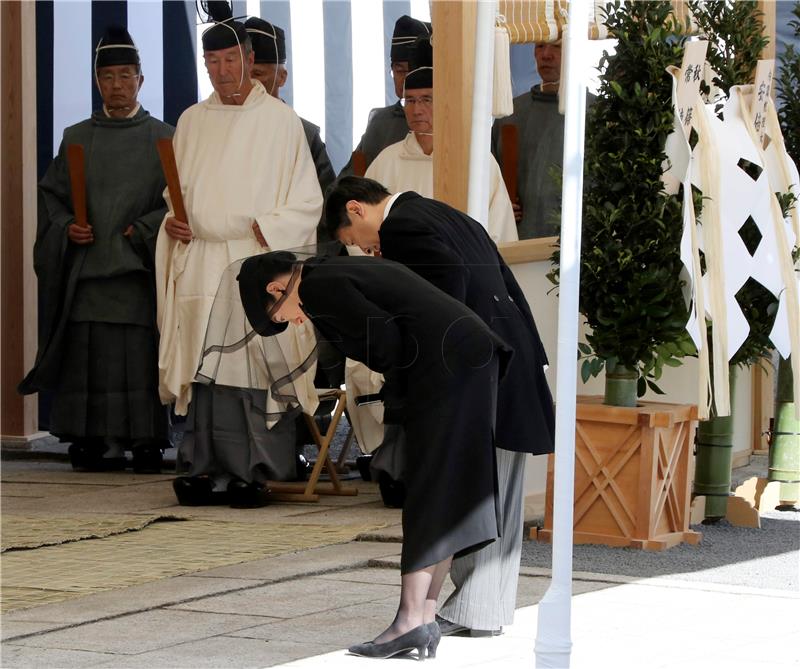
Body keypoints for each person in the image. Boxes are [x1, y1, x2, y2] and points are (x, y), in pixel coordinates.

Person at [236, 249, 512, 659]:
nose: (295, 320)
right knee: (450, 485)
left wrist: (395, 396)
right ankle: (424, 617)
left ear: (277, 288)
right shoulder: (333, 268)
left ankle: (408, 621)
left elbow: (384, 343)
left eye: (281, 315)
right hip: (468, 356)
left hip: (445, 366)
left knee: (430, 485)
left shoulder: (318, 286)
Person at [324, 176, 555, 637]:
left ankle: (476, 609)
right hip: (511, 353)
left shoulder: (403, 227)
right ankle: (483, 609)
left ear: (357, 209)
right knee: (498, 492)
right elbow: (499, 280)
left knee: (474, 494)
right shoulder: (445, 212)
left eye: (354, 241)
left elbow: (441, 300)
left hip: (479, 369)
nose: (365, 251)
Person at [156, 5, 323, 507]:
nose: (223, 70)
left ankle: (256, 470)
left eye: (232, 59)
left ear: (250, 60)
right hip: (203, 258)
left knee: (251, 364)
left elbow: (307, 199)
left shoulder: (280, 122)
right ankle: (202, 467)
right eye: (214, 61)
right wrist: (173, 221)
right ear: (205, 65)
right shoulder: (190, 121)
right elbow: (175, 195)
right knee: (205, 368)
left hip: (254, 257)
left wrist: (266, 227)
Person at [19, 26, 173, 474]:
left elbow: (177, 203)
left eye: (126, 76)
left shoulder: (164, 138)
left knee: (137, 363)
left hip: (136, 274)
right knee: (91, 361)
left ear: (141, 81)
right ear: (96, 82)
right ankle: (90, 440)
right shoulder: (77, 137)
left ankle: (145, 440)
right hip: (88, 274)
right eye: (108, 77)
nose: (117, 86)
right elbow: (52, 198)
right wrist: (67, 227)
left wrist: (144, 228)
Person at [366, 37, 518, 244]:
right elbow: (362, 222)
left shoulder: (476, 160)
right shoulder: (386, 162)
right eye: (410, 100)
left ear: (444, 102)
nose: (417, 109)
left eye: (426, 99)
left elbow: (499, 229)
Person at [492, 41, 594, 239]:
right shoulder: (510, 113)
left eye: (557, 46)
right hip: (517, 242)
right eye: (539, 46)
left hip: (579, 244)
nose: (546, 55)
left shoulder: (597, 114)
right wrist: (499, 207)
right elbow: (489, 178)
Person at [244, 17, 335, 208]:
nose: (249, 82)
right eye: (244, 74)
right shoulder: (220, 123)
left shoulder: (304, 133)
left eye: (257, 74)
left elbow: (325, 207)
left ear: (282, 77)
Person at [338, 15, 431, 176]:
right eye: (399, 70)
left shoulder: (448, 126)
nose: (406, 78)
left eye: (412, 71)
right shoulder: (379, 123)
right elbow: (353, 177)